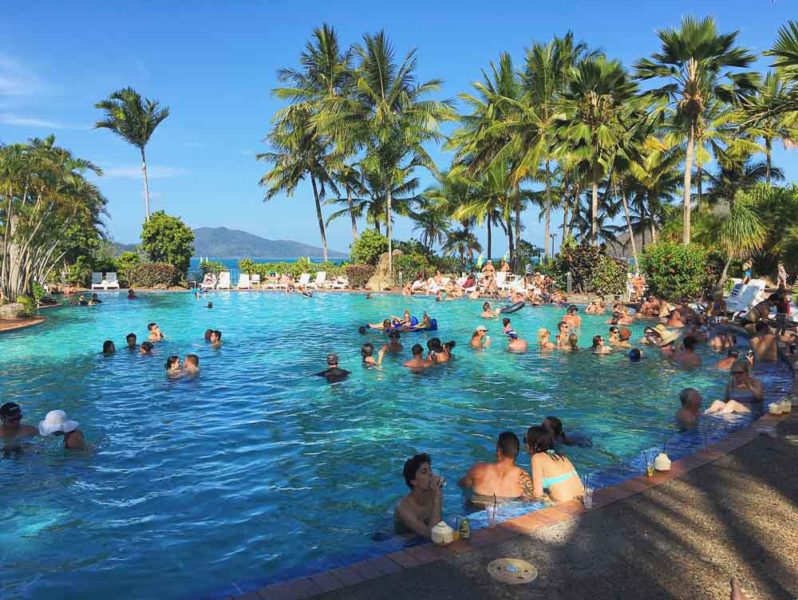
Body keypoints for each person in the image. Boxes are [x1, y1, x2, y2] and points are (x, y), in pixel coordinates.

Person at [458, 431, 533, 504]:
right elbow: (530, 501)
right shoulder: (524, 477)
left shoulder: (478, 469)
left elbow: (462, 484)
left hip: (476, 510)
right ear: (516, 452)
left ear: (499, 450)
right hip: (509, 512)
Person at [524, 426, 585, 502]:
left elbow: (537, 495)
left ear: (534, 443)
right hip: (582, 503)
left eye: (525, 440)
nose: (525, 444)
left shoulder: (537, 458)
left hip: (564, 507)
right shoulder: (560, 456)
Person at [394, 453, 444, 539]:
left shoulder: (434, 493)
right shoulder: (404, 508)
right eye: (424, 472)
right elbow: (432, 536)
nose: (431, 474)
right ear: (413, 481)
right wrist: (437, 497)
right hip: (401, 541)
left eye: (430, 469)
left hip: (424, 532)